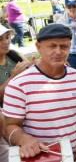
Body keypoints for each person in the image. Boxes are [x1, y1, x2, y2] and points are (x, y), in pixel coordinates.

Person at [3, 24, 76, 161]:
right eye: (52, 46)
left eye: (64, 46)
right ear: (38, 46)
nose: (58, 52)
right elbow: (9, 125)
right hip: (40, 158)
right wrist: (23, 138)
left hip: (74, 157)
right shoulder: (19, 84)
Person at [0, 25, 31, 162]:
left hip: (25, 113)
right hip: (4, 120)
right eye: (0, 39)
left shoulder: (14, 55)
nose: (6, 42)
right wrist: (13, 78)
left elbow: (33, 71)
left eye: (7, 37)